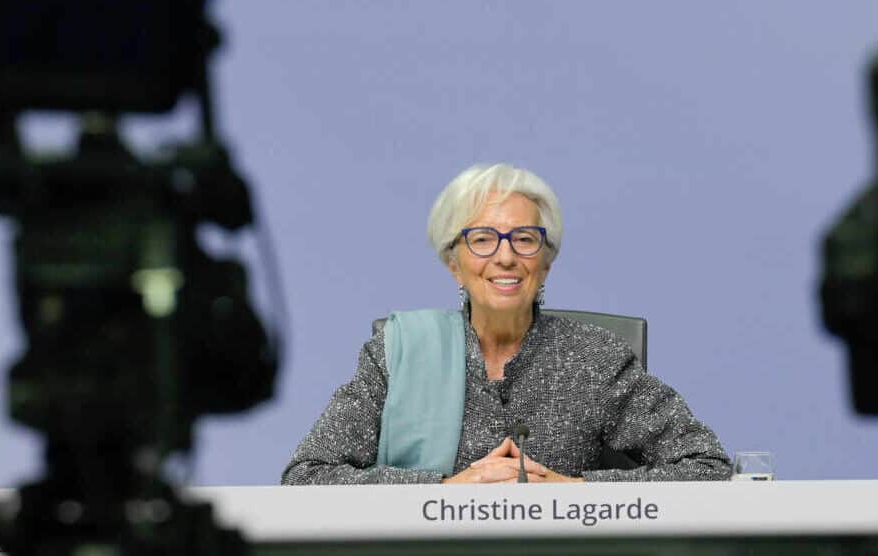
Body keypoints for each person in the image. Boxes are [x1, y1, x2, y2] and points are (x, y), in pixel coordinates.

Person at [281, 163, 731, 485]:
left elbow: (706, 466)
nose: (505, 256)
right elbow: (308, 476)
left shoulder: (595, 358)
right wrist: (442, 491)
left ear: (547, 263)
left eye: (524, 238)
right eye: (481, 239)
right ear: (453, 264)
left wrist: (575, 493)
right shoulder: (397, 353)